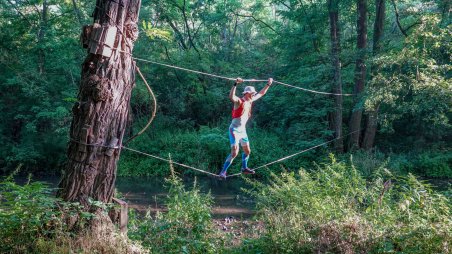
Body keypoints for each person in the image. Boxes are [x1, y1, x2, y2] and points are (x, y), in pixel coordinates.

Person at [218, 77, 273, 179]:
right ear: (247, 93)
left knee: (247, 151)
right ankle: (223, 172)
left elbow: (261, 93)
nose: (253, 94)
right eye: (252, 93)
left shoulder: (251, 100)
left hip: (243, 131)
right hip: (234, 130)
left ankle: (244, 168)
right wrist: (235, 83)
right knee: (234, 152)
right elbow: (231, 96)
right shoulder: (239, 101)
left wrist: (268, 84)